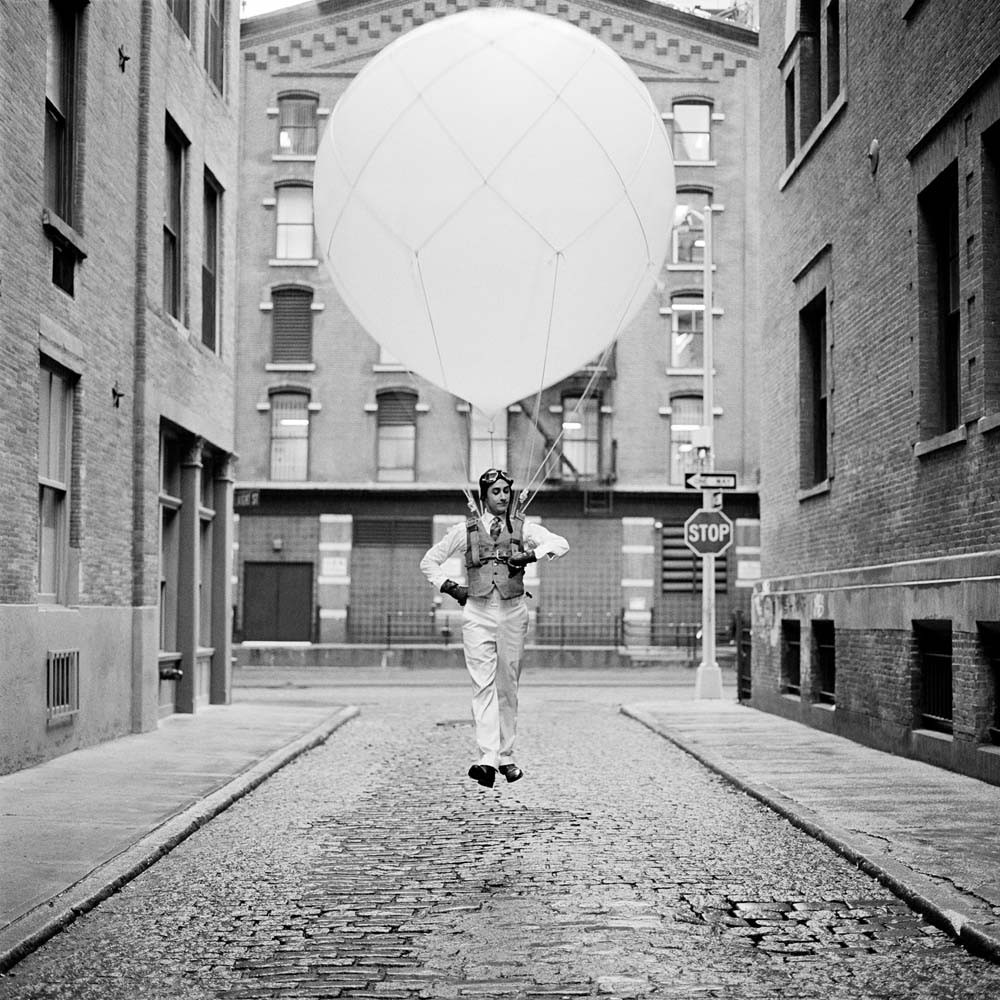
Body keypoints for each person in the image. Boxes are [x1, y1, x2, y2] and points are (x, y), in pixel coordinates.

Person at [420, 469, 569, 788]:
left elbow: (561, 543)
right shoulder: (465, 530)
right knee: (482, 684)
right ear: (484, 496)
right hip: (477, 610)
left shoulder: (524, 528)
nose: (503, 496)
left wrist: (531, 554)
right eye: (496, 491)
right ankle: (487, 757)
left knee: (508, 683)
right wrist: (451, 587)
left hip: (513, 609)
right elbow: (429, 562)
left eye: (506, 491)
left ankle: (507, 756)